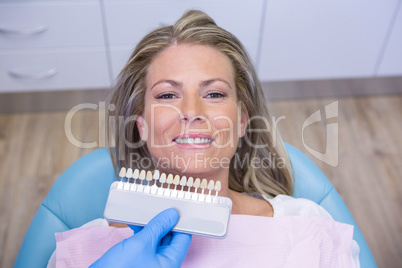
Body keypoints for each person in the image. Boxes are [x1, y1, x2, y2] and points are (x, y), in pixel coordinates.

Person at [49, 10, 360, 267]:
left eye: (214, 93)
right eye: (168, 94)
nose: (191, 111)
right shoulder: (82, 253)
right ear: (140, 125)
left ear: (241, 121)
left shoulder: (308, 226)